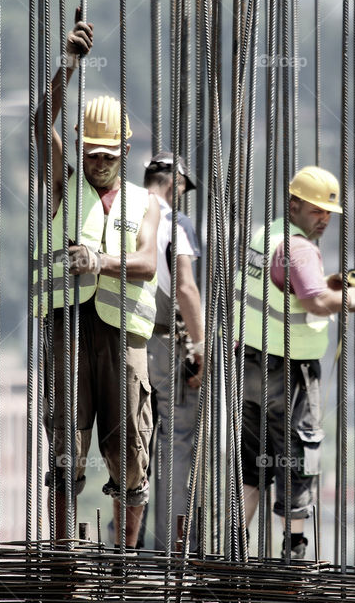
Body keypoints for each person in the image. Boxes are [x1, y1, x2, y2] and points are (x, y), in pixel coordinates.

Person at [33, 10, 159, 548]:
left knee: (129, 448)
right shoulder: (65, 184)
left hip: (122, 335)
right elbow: (43, 124)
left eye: (108, 156)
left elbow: (149, 263)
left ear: (126, 153)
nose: (97, 163)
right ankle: (64, 555)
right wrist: (67, 64)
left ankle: (125, 557)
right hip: (68, 327)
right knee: (66, 444)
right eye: (90, 153)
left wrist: (100, 260)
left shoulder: (145, 202)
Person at [235, 166, 355, 559]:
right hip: (290, 371)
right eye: (315, 211)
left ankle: (234, 551)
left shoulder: (265, 235)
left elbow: (283, 287)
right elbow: (313, 302)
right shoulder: (300, 247)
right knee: (297, 457)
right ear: (294, 205)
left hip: (251, 364)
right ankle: (294, 554)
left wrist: (324, 282)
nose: (324, 218)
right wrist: (351, 299)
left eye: (328, 213)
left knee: (253, 460)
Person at [143, 151, 205, 551]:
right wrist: (200, 349)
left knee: (130, 445)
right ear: (176, 183)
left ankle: (124, 546)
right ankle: (171, 551)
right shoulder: (173, 221)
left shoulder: (119, 212)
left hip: (120, 341)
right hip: (163, 342)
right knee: (176, 443)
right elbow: (185, 288)